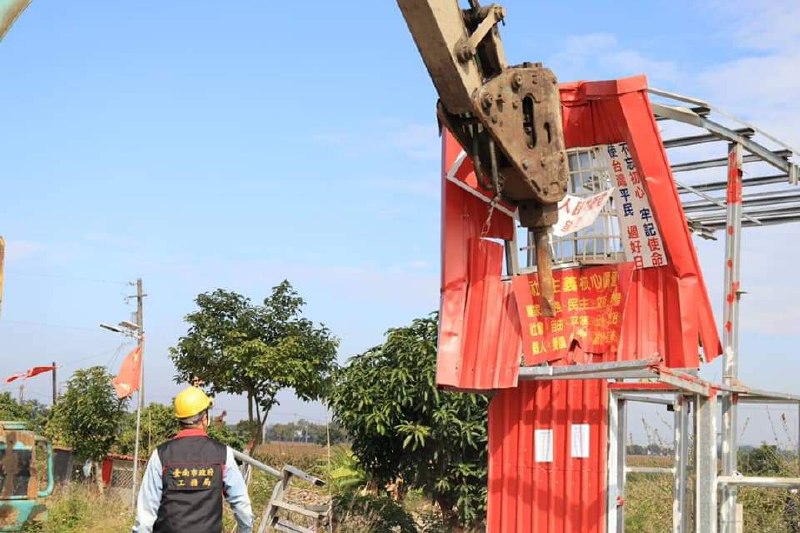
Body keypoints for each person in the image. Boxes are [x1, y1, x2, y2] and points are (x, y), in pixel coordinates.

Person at [132, 386, 254, 532]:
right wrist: (245, 529)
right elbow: (242, 505)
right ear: (204, 418)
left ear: (179, 419)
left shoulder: (161, 455)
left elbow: (145, 515)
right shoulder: (223, 454)